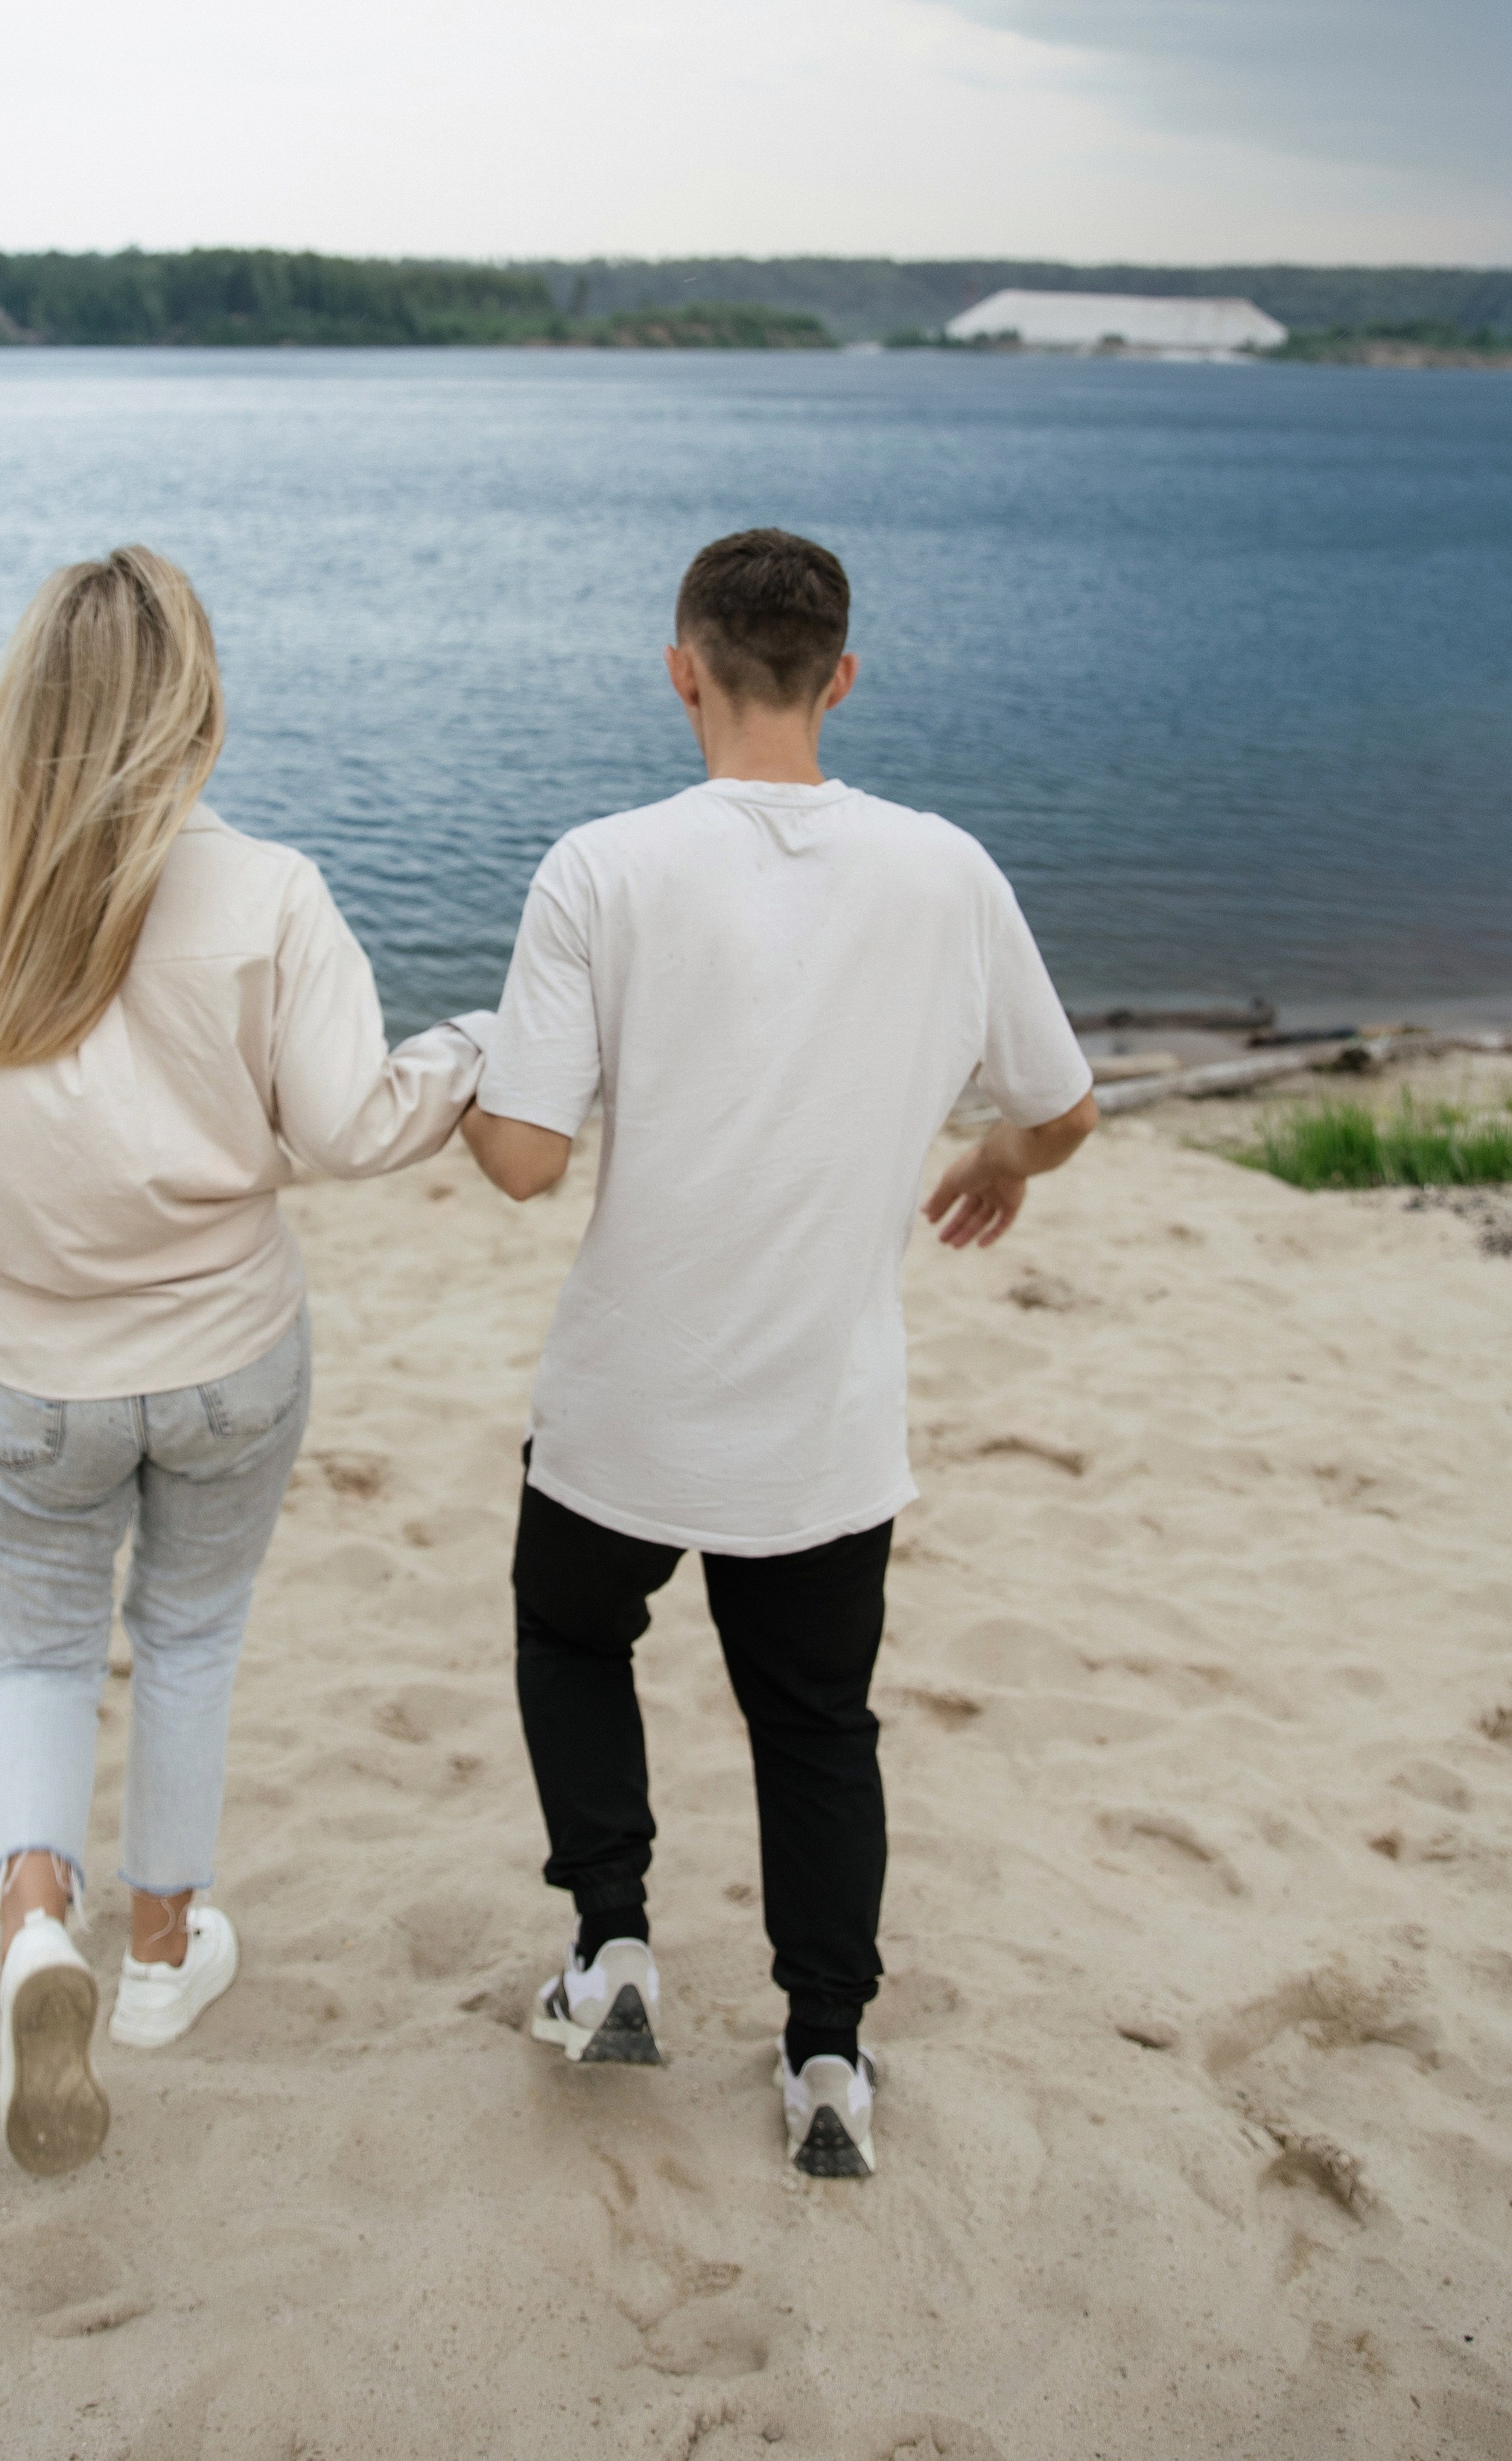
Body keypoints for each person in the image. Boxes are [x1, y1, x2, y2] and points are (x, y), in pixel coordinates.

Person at [0, 544, 489, 2178]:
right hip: (229, 1359)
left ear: (26, 715)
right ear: (199, 715)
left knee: (34, 1651)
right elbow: (354, 1121)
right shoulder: (270, 892)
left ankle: (32, 1920)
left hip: (25, 1378)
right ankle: (159, 1958)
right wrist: (477, 1052)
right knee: (191, 1640)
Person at [461, 527, 1096, 2178]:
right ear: (840, 676)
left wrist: (474, 1065)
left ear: (683, 669)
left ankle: (609, 1948)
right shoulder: (947, 870)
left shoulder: (598, 866)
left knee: (568, 1634)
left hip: (621, 1401)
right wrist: (997, 1164)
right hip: (821, 1421)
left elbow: (523, 1161)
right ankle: (825, 2058)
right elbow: (1063, 1106)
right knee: (817, 1726)